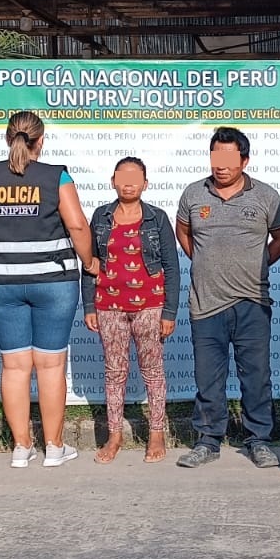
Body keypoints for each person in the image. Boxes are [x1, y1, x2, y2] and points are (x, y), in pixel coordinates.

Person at [0, 110, 97, 469]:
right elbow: (78, 227)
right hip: (53, 283)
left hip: (3, 283)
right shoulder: (56, 176)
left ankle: (21, 448)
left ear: (7, 138)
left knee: (14, 367)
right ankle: (54, 448)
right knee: (51, 365)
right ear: (40, 140)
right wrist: (91, 263)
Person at [173, 127, 280, 469]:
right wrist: (201, 260)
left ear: (245, 160)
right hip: (205, 303)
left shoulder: (266, 197)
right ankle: (208, 441)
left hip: (252, 301)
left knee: (256, 376)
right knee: (207, 378)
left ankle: (259, 440)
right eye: (216, 158)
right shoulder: (194, 194)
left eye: (228, 159)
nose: (221, 166)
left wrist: (260, 263)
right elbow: (183, 231)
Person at [83, 157, 180, 464]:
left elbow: (172, 267)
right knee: (114, 372)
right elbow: (89, 263)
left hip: (150, 305)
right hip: (108, 306)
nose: (128, 182)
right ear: (112, 181)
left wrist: (170, 311)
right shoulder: (100, 216)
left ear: (145, 184)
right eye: (122, 176)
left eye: (135, 176)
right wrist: (88, 305)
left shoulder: (158, 218)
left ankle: (156, 432)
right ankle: (114, 435)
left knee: (153, 372)